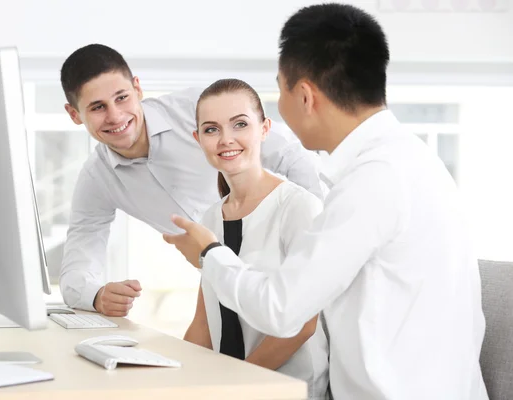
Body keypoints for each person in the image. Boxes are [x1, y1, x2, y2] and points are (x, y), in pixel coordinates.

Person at [163, 4, 488, 400]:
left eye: (279, 90)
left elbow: (283, 309)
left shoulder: (373, 180)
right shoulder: (411, 161)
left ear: (304, 96)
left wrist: (209, 253)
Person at [58, 44, 325, 317]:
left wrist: (322, 242)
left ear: (137, 88)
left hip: (287, 274)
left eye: (122, 97)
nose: (115, 116)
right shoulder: (97, 178)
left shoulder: (201, 110)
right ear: (74, 114)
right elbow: (76, 270)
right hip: (219, 288)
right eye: (97, 107)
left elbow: (293, 158)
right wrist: (96, 296)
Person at [184, 78, 328, 399]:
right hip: (229, 386)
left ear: (264, 129)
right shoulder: (210, 219)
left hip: (284, 388)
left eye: (240, 124)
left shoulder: (299, 207)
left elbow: (304, 324)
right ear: (198, 139)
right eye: (211, 130)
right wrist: (180, 379)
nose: (226, 139)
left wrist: (238, 382)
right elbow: (204, 323)